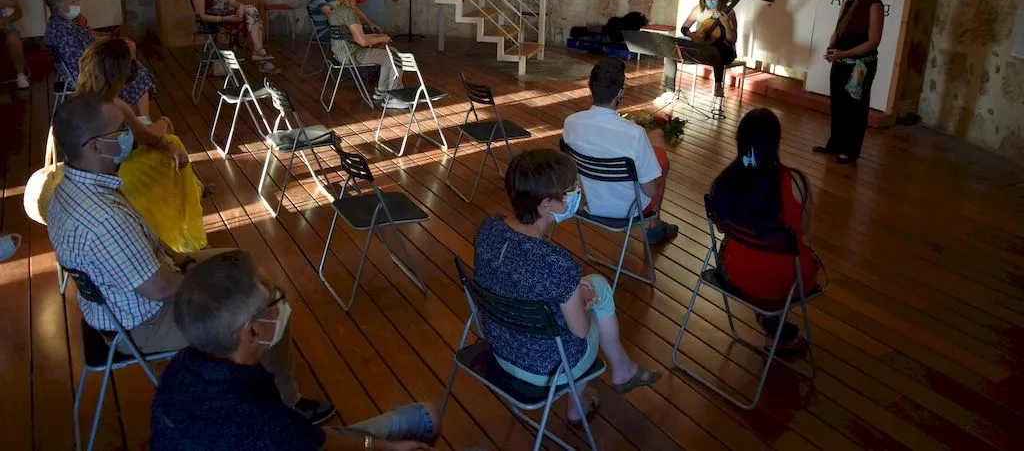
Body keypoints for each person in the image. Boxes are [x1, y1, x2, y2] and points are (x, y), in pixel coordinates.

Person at [45, 93, 333, 426]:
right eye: (121, 129)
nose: (130, 134)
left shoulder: (69, 189)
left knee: (238, 259)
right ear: (94, 146)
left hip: (118, 306)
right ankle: (286, 408)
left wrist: (188, 263)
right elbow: (159, 288)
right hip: (141, 324)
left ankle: (246, 369)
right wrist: (218, 285)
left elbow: (148, 255)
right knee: (271, 307)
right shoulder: (103, 217)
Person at [152, 250, 440, 451]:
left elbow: (308, 437)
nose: (280, 301)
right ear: (252, 331)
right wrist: (384, 448)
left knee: (423, 416)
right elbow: (293, 437)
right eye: (273, 296)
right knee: (434, 422)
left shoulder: (180, 369)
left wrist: (382, 447)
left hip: (292, 438)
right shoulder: (265, 428)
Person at [474, 150, 662, 423]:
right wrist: (582, 298)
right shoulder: (557, 264)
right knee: (599, 292)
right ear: (547, 204)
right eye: (571, 189)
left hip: (499, 348)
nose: (577, 192)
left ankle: (622, 368)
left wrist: (575, 289)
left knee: (591, 284)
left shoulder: (489, 228)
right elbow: (581, 330)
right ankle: (591, 394)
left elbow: (518, 279)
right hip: (547, 368)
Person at [74, 37, 209, 252]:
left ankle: (191, 190)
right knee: (172, 145)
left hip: (88, 174)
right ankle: (172, 228)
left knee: (170, 144)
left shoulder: (77, 102)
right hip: (116, 177)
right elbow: (150, 137)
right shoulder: (115, 106)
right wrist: (164, 122)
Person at [710, 108, 819, 356]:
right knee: (785, 260)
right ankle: (775, 329)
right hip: (788, 280)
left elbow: (720, 227)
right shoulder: (797, 182)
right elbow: (804, 233)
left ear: (739, 140)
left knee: (754, 254)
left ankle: (771, 323)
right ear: (776, 143)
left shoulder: (722, 182)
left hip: (735, 274)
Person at [563, 57, 678, 245]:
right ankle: (654, 226)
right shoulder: (635, 134)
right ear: (620, 93)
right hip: (628, 210)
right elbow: (650, 191)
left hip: (588, 201)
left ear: (590, 87)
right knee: (661, 160)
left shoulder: (570, 122)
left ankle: (656, 226)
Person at [43, 0, 158, 117]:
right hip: (87, 72)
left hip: (89, 65)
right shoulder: (60, 30)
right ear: (60, 6)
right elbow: (79, 58)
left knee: (133, 65)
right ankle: (141, 120)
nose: (77, 3)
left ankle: (137, 119)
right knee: (137, 72)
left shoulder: (64, 23)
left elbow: (86, 44)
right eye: (72, 1)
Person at [813, 0, 883, 164]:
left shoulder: (874, 5)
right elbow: (838, 29)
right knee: (838, 104)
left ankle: (850, 151)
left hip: (860, 65)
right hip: (841, 60)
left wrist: (843, 53)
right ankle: (834, 144)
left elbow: (873, 42)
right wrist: (831, 47)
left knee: (855, 108)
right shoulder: (847, 2)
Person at [189, 0, 280, 75]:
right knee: (254, 21)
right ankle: (262, 58)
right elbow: (201, 15)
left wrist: (241, 6)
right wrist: (226, 18)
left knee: (251, 12)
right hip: (211, 23)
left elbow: (232, 2)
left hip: (227, 18)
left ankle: (259, 52)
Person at [328, 0, 404, 108]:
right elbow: (361, 41)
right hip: (352, 54)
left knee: (391, 52)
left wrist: (378, 36)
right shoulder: (349, 13)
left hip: (340, 52)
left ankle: (382, 91)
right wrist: (381, 39)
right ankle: (396, 96)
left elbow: (354, 36)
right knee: (396, 58)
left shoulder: (338, 9)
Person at [679, 0, 738, 98]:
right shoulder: (699, 9)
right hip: (702, 47)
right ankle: (670, 88)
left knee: (717, 48)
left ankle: (718, 86)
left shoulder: (729, 13)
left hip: (724, 51)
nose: (710, 2)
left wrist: (726, 25)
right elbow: (684, 28)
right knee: (675, 44)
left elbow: (732, 40)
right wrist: (692, 36)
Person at [0, 0, 29, 89]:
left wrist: (5, 20)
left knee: (13, 38)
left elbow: (18, 14)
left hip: (8, 27)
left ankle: (21, 75)